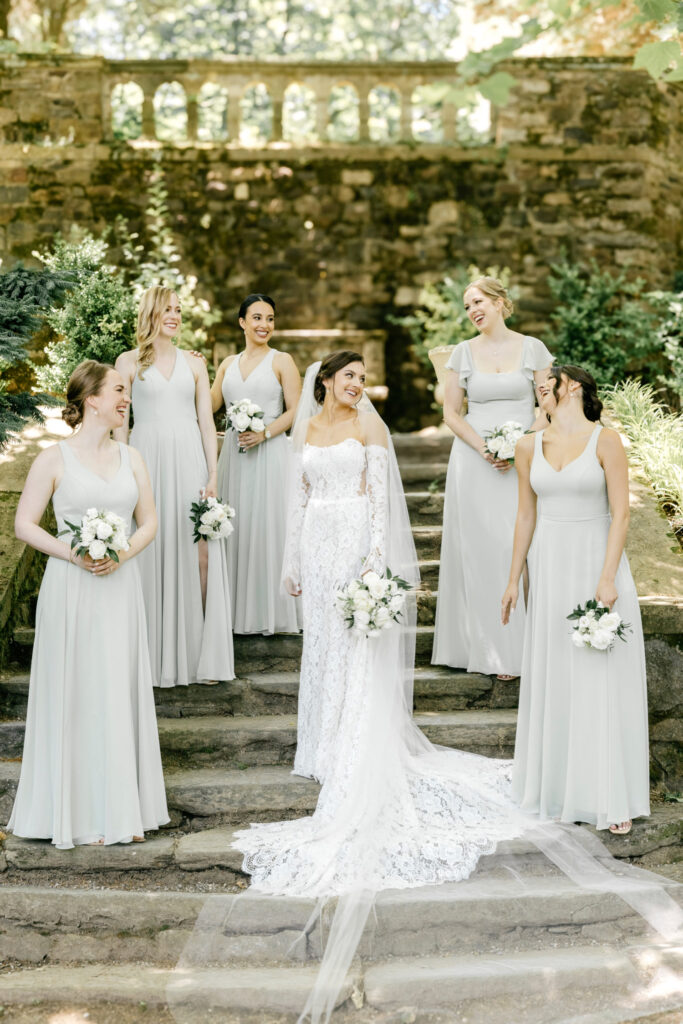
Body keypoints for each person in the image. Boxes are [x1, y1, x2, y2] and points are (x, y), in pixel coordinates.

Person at [8, 360, 169, 848]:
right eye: (118, 390)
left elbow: (149, 522)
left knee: (114, 687)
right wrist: (73, 553)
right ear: (91, 399)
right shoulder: (52, 459)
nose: (126, 399)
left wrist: (121, 553)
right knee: (74, 690)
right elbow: (25, 525)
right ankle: (72, 813)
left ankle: (121, 811)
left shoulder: (132, 457)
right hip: (71, 587)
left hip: (120, 587)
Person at [502, 365, 650, 835]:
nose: (543, 386)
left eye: (552, 380)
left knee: (599, 675)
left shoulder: (605, 440)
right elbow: (526, 516)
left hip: (595, 562)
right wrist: (512, 579)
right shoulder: (528, 447)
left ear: (576, 387)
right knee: (558, 675)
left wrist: (608, 579)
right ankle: (556, 788)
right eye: (538, 385)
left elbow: (622, 514)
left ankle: (611, 795)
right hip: (550, 567)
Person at [432, 277, 552, 680]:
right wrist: (484, 448)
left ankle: (526, 647)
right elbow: (451, 412)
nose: (473, 311)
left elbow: (547, 404)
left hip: (524, 457)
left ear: (501, 302)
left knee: (519, 546)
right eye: (467, 306)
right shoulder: (462, 354)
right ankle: (488, 648)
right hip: (473, 460)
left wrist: (522, 443)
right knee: (482, 548)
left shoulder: (533, 348)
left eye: (479, 301)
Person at [115, 286, 234, 688]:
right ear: (150, 312)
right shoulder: (127, 363)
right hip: (145, 461)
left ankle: (197, 653)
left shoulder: (195, 364)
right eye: (167, 309)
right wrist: (121, 477)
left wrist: (213, 474)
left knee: (198, 554)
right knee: (148, 550)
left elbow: (206, 422)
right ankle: (149, 655)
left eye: (179, 310)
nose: (175, 316)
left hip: (189, 463)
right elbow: (120, 427)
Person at [211, 294, 302, 635]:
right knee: (238, 525)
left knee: (269, 526)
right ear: (242, 322)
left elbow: (295, 410)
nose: (265, 325)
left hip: (271, 453)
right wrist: (188, 368)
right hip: (234, 457)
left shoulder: (282, 361)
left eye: (270, 319)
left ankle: (272, 612)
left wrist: (264, 433)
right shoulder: (227, 365)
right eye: (257, 318)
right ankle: (236, 613)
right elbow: (209, 404)